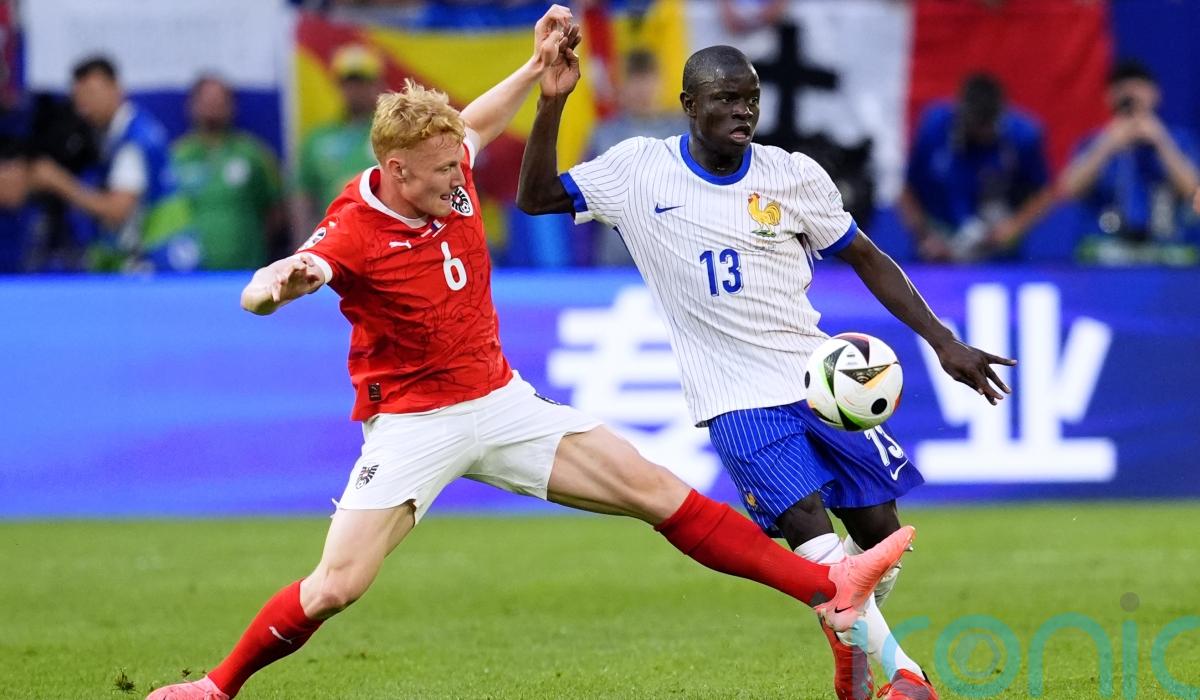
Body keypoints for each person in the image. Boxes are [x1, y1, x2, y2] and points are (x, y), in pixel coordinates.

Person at [146, 11, 914, 700]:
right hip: (414, 422)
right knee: (335, 587)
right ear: (396, 171)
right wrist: (276, 283)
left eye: (460, 164)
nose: (462, 181)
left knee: (656, 492)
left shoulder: (442, 160)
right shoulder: (353, 229)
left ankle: (828, 589)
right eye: (446, 174)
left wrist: (536, 67)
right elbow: (284, 279)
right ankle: (215, 686)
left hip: (499, 401)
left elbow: (475, 122)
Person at [519, 44, 1017, 700]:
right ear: (689, 105)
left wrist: (942, 341)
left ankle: (848, 646)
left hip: (820, 382)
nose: (743, 111)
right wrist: (552, 101)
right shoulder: (639, 168)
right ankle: (906, 677)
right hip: (735, 398)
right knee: (812, 534)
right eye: (725, 99)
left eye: (750, 99)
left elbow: (866, 257)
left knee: (881, 543)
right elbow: (535, 196)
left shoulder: (792, 175)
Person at [29, 56, 196, 272]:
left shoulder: (133, 143)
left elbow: (117, 210)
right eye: (79, 98)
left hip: (156, 260)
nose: (84, 106)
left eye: (92, 94)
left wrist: (59, 183)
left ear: (116, 88)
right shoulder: (121, 130)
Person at [1059, 59, 1200, 265]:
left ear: (1155, 93)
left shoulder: (1179, 140)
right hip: (1104, 247)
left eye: (1138, 86)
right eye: (1121, 86)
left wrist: (1161, 142)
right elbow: (1069, 189)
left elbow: (1193, 191)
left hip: (1165, 247)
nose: (1130, 93)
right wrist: (1107, 145)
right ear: (1108, 97)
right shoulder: (1094, 142)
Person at [900, 73, 1053, 263]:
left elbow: (1044, 193)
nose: (982, 133)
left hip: (995, 250)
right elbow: (905, 189)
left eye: (987, 125)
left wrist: (1013, 227)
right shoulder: (934, 127)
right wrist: (923, 235)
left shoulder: (1023, 136)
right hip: (940, 245)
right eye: (976, 125)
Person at [171, 76, 285, 270]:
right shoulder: (176, 156)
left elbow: (276, 209)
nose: (212, 106)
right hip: (189, 272)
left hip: (246, 270)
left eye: (219, 100)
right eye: (206, 100)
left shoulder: (254, 153)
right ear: (192, 106)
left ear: (231, 106)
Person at [586, 48, 687, 266]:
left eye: (648, 79)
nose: (642, 89)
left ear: (660, 81)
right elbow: (583, 206)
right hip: (616, 262)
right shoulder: (603, 136)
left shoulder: (684, 135)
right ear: (621, 85)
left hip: (673, 262)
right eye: (635, 80)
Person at [291, 43, 384, 240]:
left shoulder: (393, 135)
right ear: (338, 85)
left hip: (383, 238)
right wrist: (302, 245)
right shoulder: (317, 139)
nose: (355, 90)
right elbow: (303, 198)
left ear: (377, 84)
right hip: (333, 241)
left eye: (362, 82)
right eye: (348, 82)